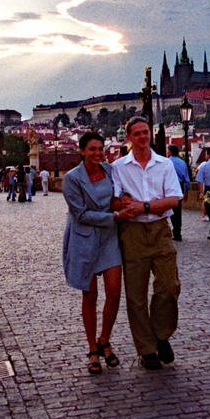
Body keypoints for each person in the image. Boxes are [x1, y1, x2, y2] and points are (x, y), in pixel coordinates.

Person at [111, 117, 184, 370]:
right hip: (132, 232)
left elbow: (174, 199)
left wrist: (143, 205)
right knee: (136, 295)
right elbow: (115, 199)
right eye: (137, 134)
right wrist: (123, 203)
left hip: (160, 229)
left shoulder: (164, 164)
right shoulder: (118, 167)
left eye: (145, 133)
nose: (142, 137)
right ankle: (147, 349)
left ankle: (161, 334)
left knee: (169, 285)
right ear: (128, 137)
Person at [62, 132, 132, 375]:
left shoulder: (111, 171)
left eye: (100, 148)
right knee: (90, 296)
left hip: (108, 238)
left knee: (114, 293)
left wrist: (121, 202)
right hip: (84, 239)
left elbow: (116, 197)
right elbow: (79, 214)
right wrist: (114, 216)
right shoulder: (72, 179)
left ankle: (105, 339)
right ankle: (93, 348)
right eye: (92, 149)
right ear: (82, 151)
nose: (97, 153)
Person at [167, 145, 190, 241]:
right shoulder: (183, 162)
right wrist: (186, 192)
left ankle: (175, 231)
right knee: (178, 210)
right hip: (180, 186)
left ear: (170, 152)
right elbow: (187, 180)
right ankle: (178, 231)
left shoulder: (167, 162)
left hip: (170, 186)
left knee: (172, 210)